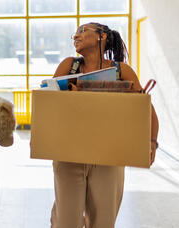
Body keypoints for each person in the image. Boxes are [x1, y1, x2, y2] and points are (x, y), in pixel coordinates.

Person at [50, 22, 159, 228]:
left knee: (103, 222)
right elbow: (49, 104)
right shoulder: (69, 65)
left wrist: (152, 142)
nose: (76, 36)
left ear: (102, 37)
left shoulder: (121, 71)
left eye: (83, 31)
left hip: (109, 156)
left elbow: (146, 109)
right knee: (66, 222)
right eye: (75, 33)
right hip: (68, 154)